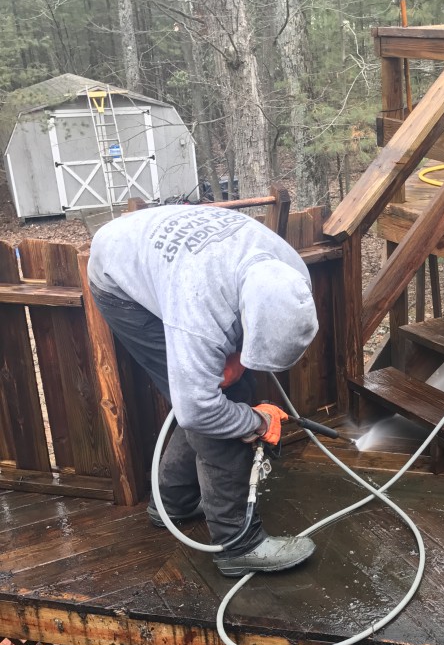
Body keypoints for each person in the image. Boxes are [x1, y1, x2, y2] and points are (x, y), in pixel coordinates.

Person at [88, 203, 319, 576]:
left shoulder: (291, 273)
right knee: (222, 405)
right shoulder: (200, 312)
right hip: (119, 278)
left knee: (230, 390)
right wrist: (256, 423)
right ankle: (239, 545)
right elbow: (198, 409)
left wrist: (240, 364)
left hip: (166, 252)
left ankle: (173, 502)